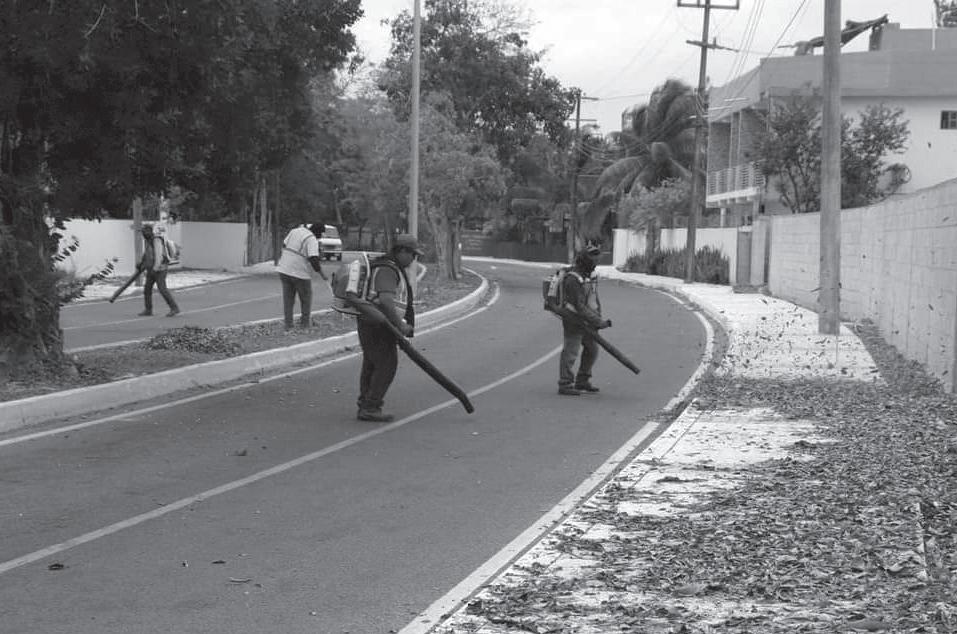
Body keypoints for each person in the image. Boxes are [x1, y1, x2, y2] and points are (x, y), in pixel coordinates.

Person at [355, 233, 420, 422]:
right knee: (386, 365)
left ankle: (366, 404)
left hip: (374, 322)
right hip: (378, 325)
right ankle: (371, 406)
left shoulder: (389, 267)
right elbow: (385, 299)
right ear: (402, 251)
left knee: (372, 364)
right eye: (413, 254)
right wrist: (400, 325)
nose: (413, 259)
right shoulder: (387, 270)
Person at [558, 245, 611, 396]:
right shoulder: (573, 279)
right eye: (594, 261)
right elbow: (579, 306)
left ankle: (582, 380)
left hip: (588, 320)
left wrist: (597, 318)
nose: (596, 264)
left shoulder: (590, 277)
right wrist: (598, 321)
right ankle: (565, 383)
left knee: (592, 349)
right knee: (571, 351)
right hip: (573, 319)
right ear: (585, 261)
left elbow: (594, 299)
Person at [276, 223, 328, 329]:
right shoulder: (311, 239)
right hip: (299, 272)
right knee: (306, 298)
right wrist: (323, 275)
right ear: (318, 232)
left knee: (288, 299)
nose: (320, 237)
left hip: (284, 269)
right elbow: (314, 259)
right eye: (321, 234)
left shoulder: (295, 231)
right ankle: (305, 324)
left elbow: (284, 245)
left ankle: (288, 325)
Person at [138, 224, 180, 317]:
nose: (143, 234)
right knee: (147, 289)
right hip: (151, 269)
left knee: (162, 289)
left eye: (144, 232)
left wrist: (155, 268)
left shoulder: (156, 240)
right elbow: (147, 254)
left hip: (160, 269)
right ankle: (148, 310)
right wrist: (141, 263)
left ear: (150, 232)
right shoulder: (148, 241)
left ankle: (174, 308)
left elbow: (159, 256)